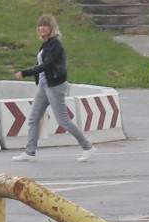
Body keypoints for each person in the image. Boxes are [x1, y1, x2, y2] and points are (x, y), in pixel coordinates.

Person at [11, 13, 93, 161]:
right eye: (40, 25)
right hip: (44, 84)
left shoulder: (55, 44)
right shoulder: (46, 43)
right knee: (33, 118)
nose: (42, 28)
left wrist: (25, 73)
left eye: (45, 25)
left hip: (55, 85)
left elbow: (46, 65)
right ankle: (30, 152)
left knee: (63, 120)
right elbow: (41, 64)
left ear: (52, 28)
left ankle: (88, 147)